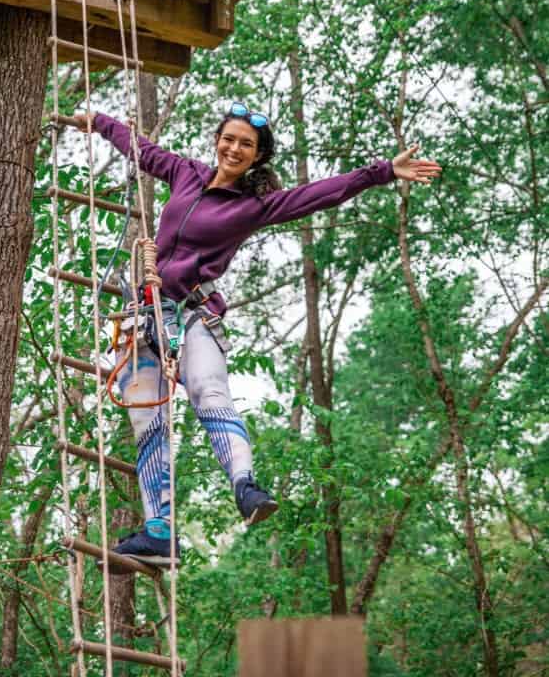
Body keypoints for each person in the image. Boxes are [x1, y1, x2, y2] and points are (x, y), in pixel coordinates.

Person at [75, 102, 441, 568]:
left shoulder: (255, 206)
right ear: (217, 140)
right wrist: (100, 122)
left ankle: (246, 486)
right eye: (229, 139)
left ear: (257, 156)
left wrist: (383, 171)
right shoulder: (185, 174)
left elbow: (322, 193)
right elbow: (142, 151)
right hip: (145, 316)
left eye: (245, 144)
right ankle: (159, 530)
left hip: (192, 313)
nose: (234, 148)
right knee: (148, 420)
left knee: (210, 392)